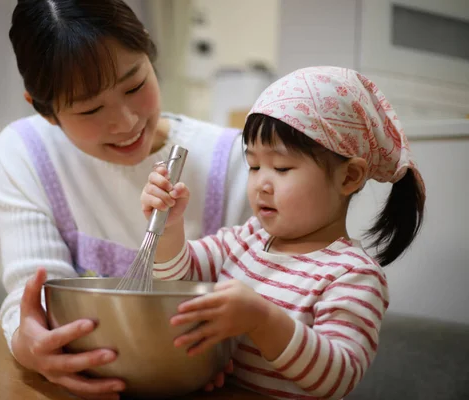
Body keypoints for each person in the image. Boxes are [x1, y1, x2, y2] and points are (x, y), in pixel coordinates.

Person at [0, 0, 251, 399]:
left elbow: (274, 295)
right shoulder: (27, 151)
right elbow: (31, 297)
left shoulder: (232, 161)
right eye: (90, 109)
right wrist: (29, 345)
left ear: (148, 51)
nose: (127, 122)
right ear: (45, 111)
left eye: (134, 86)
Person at [141, 66, 426, 399]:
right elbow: (174, 278)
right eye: (254, 166)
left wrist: (262, 319)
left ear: (348, 177)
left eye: (281, 168)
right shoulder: (244, 239)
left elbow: (338, 377)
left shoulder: (351, 276)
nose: (262, 183)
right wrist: (170, 225)